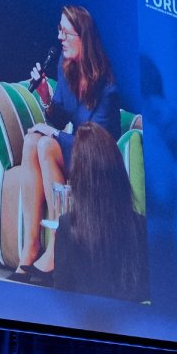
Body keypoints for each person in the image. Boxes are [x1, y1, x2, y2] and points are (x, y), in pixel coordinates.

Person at [7, 5, 127, 285]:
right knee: (33, 141)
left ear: (84, 37)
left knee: (47, 145)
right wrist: (45, 94)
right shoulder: (66, 66)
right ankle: (30, 248)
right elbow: (60, 117)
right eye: (59, 30)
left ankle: (56, 248)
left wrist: (54, 134)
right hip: (76, 150)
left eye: (66, 32)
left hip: (98, 159)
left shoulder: (107, 87)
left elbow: (94, 141)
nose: (60, 37)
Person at [52, 123, 147, 301]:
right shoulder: (141, 226)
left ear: (79, 176)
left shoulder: (67, 227)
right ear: (118, 171)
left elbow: (62, 298)